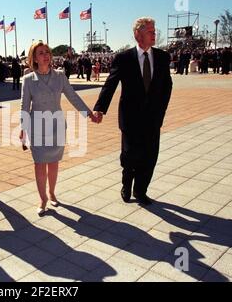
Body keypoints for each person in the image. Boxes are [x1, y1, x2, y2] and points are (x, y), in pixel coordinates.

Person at [93, 17, 173, 206]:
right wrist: (100, 108)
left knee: (150, 156)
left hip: (153, 118)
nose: (154, 34)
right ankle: (127, 183)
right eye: (150, 31)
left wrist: (161, 111)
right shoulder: (124, 58)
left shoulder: (162, 57)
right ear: (138, 34)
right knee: (129, 155)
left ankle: (140, 190)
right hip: (130, 119)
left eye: (154, 31)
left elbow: (167, 86)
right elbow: (110, 84)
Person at [20, 41, 97, 215]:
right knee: (39, 164)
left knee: (53, 163)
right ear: (34, 58)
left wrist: (89, 113)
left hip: (56, 127)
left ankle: (52, 193)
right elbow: (24, 106)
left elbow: (73, 97)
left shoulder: (60, 76)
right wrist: (22, 129)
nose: (45, 55)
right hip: (37, 127)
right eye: (41, 52)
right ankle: (42, 199)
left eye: (47, 51)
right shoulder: (28, 80)